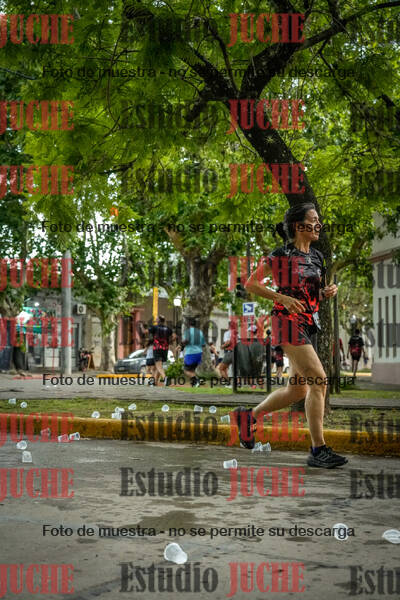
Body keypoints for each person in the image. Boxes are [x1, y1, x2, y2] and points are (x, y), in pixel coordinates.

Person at [235, 203, 348, 469]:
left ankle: (248, 417)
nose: (318, 224)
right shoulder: (281, 255)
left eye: (319, 220)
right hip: (286, 322)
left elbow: (310, 294)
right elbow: (251, 283)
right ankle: (318, 449)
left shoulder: (318, 257)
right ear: (299, 226)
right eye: (313, 220)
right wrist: (281, 297)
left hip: (308, 324)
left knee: (298, 389)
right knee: (319, 380)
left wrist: (325, 293)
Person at [147, 315, 172, 386]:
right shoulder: (168, 329)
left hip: (157, 348)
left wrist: (142, 327)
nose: (155, 319)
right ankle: (154, 382)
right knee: (159, 366)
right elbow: (173, 336)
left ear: (158, 320)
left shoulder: (154, 327)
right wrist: (167, 342)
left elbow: (145, 332)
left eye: (156, 319)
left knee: (158, 366)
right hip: (165, 348)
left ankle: (165, 378)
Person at [181, 317, 206, 387]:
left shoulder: (188, 331)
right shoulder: (200, 332)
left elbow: (186, 340)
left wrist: (182, 344)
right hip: (199, 353)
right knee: (192, 370)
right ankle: (194, 384)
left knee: (185, 370)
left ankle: (197, 380)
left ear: (188, 324)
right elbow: (203, 344)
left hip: (191, 353)